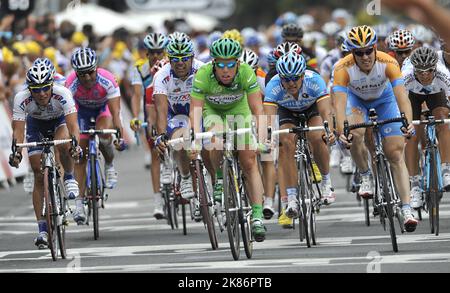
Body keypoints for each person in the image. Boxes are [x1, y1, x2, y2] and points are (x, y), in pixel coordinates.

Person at [332, 25, 418, 232]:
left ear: (374, 48)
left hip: (384, 100)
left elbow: (402, 97)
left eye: (368, 50)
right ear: (352, 52)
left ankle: (406, 208)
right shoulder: (342, 68)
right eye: (358, 52)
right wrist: (341, 130)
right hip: (357, 101)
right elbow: (339, 105)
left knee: (395, 153)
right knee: (354, 132)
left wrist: (408, 122)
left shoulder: (388, 62)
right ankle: (365, 174)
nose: (364, 56)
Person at [189, 38, 267, 242]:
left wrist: (261, 138)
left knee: (249, 159)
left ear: (238, 64)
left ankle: (257, 216)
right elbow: (195, 110)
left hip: (238, 110)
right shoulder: (203, 75)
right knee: (216, 137)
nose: (225, 70)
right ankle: (220, 179)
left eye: (230, 64)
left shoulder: (246, 73)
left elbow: (258, 109)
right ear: (213, 63)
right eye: (220, 64)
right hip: (212, 110)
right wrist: (196, 140)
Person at [9, 60, 81, 248]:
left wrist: (75, 145)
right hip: (36, 126)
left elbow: (73, 125)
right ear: (29, 89)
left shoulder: (62, 93)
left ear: (51, 85)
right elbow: (18, 131)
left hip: (59, 122)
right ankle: (42, 229)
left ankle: (70, 177)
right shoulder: (21, 98)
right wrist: (16, 151)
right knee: (38, 173)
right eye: (36, 90)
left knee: (64, 144)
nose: (41, 94)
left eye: (45, 89)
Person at [264, 52, 336, 221]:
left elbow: (326, 111)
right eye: (286, 79)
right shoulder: (273, 86)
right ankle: (292, 198)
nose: (291, 83)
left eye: (295, 78)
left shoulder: (314, 80)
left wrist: (329, 131)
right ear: (280, 77)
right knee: (285, 144)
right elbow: (267, 118)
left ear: (303, 75)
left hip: (311, 108)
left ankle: (326, 182)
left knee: (317, 136)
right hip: (287, 110)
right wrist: (267, 138)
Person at [66, 47, 126, 224]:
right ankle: (79, 204)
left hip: (102, 110)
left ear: (96, 68)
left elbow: (116, 113)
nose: (86, 78)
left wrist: (119, 137)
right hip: (81, 113)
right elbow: (69, 117)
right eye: (82, 74)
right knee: (80, 154)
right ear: (76, 73)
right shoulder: (70, 84)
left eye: (90, 73)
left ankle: (109, 164)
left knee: (105, 135)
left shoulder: (107, 79)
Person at [153, 34, 204, 202]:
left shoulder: (202, 70)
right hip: (176, 114)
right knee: (181, 140)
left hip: (200, 111)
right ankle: (186, 177)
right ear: (169, 59)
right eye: (175, 59)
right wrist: (161, 135)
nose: (180, 63)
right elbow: (160, 109)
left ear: (192, 57)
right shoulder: (161, 76)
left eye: (184, 58)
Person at [402, 47, 450, 207]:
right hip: (412, 97)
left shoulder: (443, 74)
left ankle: (446, 169)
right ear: (414, 69)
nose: (425, 75)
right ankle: (414, 185)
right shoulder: (405, 76)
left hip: (436, 94)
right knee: (411, 134)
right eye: (420, 72)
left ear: (435, 68)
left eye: (429, 71)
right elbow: (399, 103)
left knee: (443, 120)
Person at [129, 33, 169, 219]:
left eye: (159, 52)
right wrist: (136, 116)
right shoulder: (139, 68)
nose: (155, 56)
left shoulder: (170, 65)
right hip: (150, 111)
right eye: (151, 52)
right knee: (155, 154)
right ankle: (157, 201)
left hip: (171, 109)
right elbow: (137, 95)